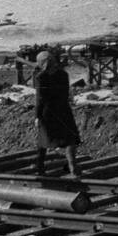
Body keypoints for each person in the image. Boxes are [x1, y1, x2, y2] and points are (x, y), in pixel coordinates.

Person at [33, 49, 82, 178]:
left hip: (48, 112)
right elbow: (65, 94)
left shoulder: (40, 77)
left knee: (43, 139)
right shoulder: (63, 74)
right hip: (63, 109)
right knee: (69, 138)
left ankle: (40, 167)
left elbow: (40, 98)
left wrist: (37, 116)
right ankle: (73, 166)